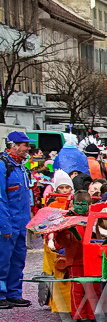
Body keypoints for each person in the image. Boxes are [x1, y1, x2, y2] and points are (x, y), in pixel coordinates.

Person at [0, 133, 33, 310]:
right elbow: (0, 199)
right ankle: (1, 294)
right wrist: (4, 224)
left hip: (21, 223)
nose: (28, 148)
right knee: (2, 260)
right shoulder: (3, 166)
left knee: (18, 260)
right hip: (8, 222)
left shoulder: (20, 167)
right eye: (24, 145)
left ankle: (13, 293)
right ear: (12, 145)